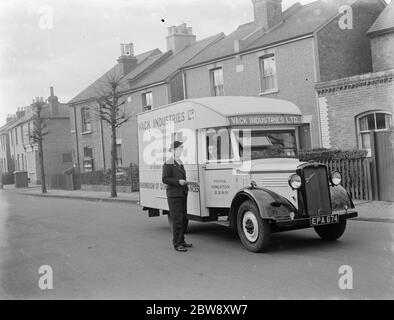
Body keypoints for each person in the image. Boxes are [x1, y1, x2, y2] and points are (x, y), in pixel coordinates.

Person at [162, 141, 193, 252]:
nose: (181, 151)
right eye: (179, 149)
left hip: (182, 193)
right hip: (174, 195)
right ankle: (177, 244)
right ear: (173, 150)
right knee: (177, 220)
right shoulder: (169, 163)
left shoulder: (179, 162)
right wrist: (178, 181)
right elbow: (165, 179)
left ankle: (182, 241)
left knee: (184, 218)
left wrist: (184, 183)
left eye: (181, 149)